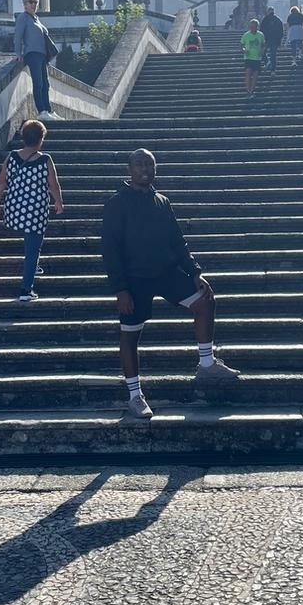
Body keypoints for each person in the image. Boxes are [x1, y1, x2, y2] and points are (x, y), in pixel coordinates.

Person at [101, 148, 240, 420]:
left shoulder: (162, 201)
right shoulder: (117, 203)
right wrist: (120, 289)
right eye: (139, 164)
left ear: (155, 169)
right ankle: (134, 395)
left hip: (166, 272)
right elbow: (110, 249)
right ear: (130, 170)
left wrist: (195, 272)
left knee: (205, 300)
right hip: (134, 279)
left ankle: (206, 363)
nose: (145, 169)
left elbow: (178, 241)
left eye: (149, 165)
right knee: (130, 334)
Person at [0, 119, 64, 302]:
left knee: (30, 244)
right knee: (33, 248)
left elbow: (1, 181)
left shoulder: (12, 156)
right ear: (41, 140)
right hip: (35, 209)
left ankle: (33, 265)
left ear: (23, 137)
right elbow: (53, 185)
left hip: (14, 208)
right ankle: (25, 290)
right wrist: (58, 202)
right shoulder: (45, 159)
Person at [14, 0, 63, 121]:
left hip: (42, 55)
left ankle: (48, 110)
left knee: (46, 84)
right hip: (32, 54)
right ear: (25, 4)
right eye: (31, 2)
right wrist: (18, 53)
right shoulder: (23, 18)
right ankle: (41, 111)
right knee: (38, 83)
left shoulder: (35, 18)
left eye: (36, 2)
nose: (34, 4)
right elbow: (18, 36)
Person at [240, 18, 266, 99]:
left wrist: (262, 51)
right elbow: (241, 45)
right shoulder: (246, 35)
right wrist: (244, 50)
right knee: (248, 73)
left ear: (257, 27)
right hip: (248, 57)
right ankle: (248, 90)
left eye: (254, 27)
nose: (252, 28)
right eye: (251, 27)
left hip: (257, 58)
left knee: (255, 75)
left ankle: (252, 91)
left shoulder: (260, 35)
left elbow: (263, 44)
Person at [260, 6, 284, 74]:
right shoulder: (278, 19)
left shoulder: (265, 19)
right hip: (275, 40)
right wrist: (280, 40)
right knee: (273, 55)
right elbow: (281, 31)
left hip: (267, 39)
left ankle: (268, 62)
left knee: (262, 53)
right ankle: (273, 70)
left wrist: (261, 39)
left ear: (268, 11)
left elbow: (261, 30)